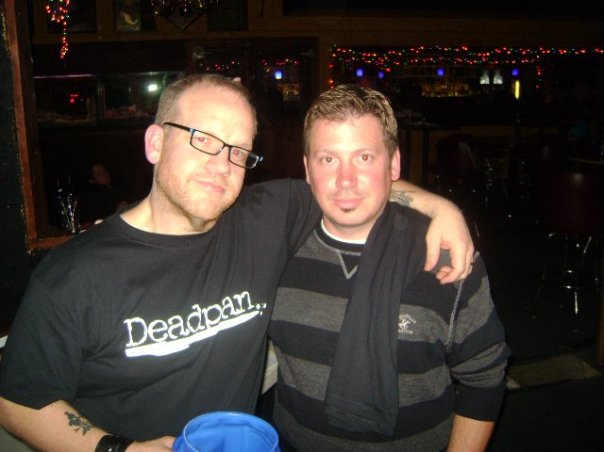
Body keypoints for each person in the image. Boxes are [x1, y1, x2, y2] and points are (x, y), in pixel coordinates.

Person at [0, 74, 473, 452]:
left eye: (239, 151)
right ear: (155, 143)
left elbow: (351, 183)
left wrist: (440, 208)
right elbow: (16, 402)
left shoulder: (266, 217)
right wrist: (117, 449)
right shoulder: (75, 275)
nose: (222, 164)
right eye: (202, 139)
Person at [269, 84, 510, 451]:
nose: (345, 180)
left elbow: (485, 378)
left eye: (364, 157)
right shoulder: (276, 249)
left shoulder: (446, 256)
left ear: (393, 164)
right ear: (307, 168)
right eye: (328, 159)